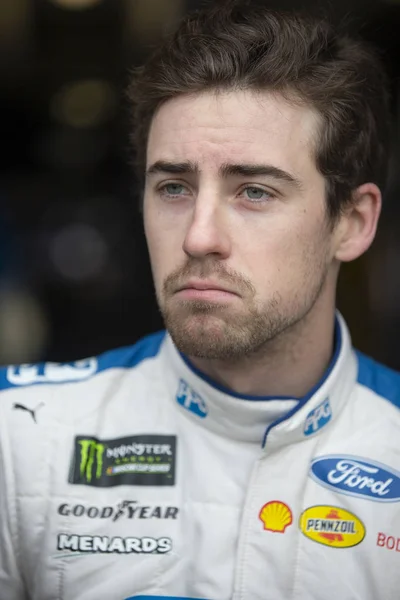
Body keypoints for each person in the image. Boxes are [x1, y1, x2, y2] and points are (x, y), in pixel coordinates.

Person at [0, 1, 399, 599]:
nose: (198, 235)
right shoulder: (20, 437)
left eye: (255, 191)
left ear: (353, 222)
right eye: (173, 187)